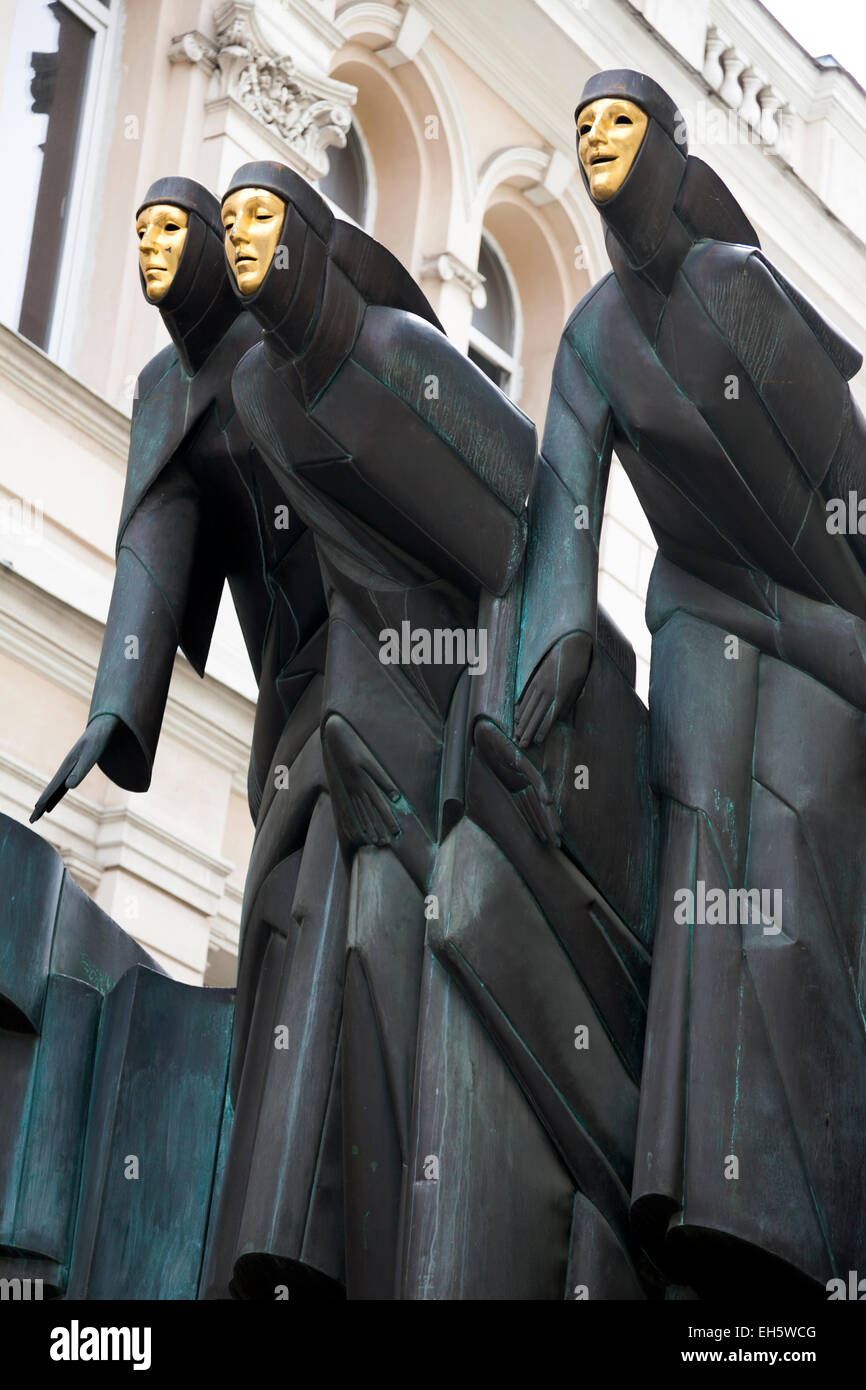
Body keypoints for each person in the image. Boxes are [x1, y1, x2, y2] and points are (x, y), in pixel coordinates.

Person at [538, 67, 866, 1296]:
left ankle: (801, 1224)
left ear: (670, 150)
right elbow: (561, 505)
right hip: (698, 613)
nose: (595, 143)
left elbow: (845, 476)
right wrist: (559, 631)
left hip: (827, 625)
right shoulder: (587, 335)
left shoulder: (737, 291)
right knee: (698, 850)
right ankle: (692, 1187)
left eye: (618, 122)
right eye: (581, 130)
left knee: (785, 863)